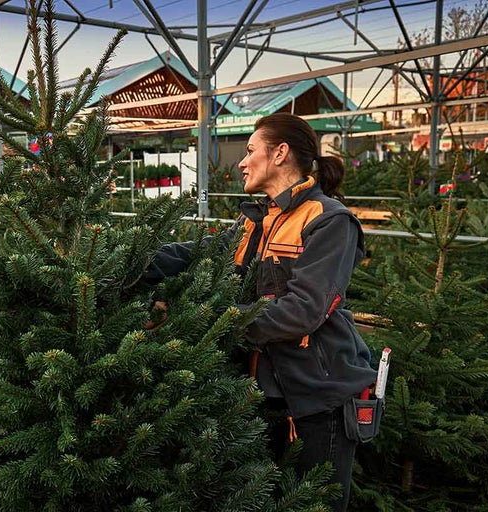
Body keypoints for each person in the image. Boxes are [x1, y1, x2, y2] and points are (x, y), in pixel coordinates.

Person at [145, 113, 376, 511]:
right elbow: (194, 253)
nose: (241, 161)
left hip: (318, 400)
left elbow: (303, 311)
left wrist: (207, 315)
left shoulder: (329, 221)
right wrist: (124, 259)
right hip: (261, 395)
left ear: (280, 153)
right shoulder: (258, 220)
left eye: (251, 150)